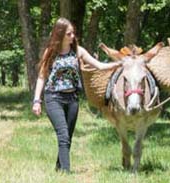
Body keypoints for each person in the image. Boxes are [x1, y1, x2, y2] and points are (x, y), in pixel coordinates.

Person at [32, 17, 121, 173]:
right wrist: (37, 101)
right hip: (53, 98)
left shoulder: (78, 52)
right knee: (63, 134)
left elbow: (99, 66)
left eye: (73, 33)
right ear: (59, 34)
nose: (72, 36)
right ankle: (66, 173)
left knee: (68, 137)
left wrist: (119, 64)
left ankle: (59, 168)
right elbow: (41, 77)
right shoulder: (51, 52)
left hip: (72, 99)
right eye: (69, 33)